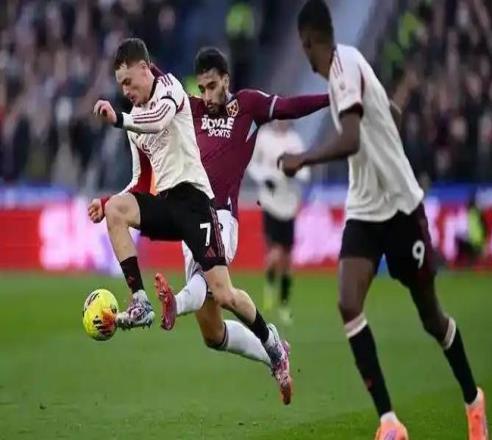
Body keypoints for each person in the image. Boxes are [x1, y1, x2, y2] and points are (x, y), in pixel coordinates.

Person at [279, 1, 488, 439]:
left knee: (431, 317)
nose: (304, 53)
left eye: (303, 46)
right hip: (365, 209)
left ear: (308, 41)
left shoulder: (345, 65)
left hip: (401, 208)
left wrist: (304, 158)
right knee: (348, 302)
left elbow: (352, 140)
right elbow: (390, 111)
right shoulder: (348, 71)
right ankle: (389, 422)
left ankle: (473, 399)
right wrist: (386, 128)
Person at [87, 38, 292, 404]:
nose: (126, 91)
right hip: (167, 205)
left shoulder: (171, 90)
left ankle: (271, 342)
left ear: (145, 69)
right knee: (118, 210)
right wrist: (107, 202)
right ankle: (140, 301)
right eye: (121, 85)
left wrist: (119, 119)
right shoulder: (134, 120)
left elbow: (157, 121)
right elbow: (140, 181)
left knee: (224, 294)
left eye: (128, 81)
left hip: (197, 204)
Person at [151, 46, 328, 384]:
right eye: (202, 88)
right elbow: (160, 81)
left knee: (211, 284)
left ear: (226, 80)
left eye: (212, 86)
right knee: (212, 334)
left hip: (221, 216)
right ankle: (274, 351)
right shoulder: (193, 108)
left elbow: (289, 106)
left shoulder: (248, 106)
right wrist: (143, 63)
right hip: (190, 216)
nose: (207, 95)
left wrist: (330, 99)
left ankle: (176, 302)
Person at [248, 120, 310, 324]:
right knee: (274, 253)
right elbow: (253, 164)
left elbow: (305, 168)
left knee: (287, 258)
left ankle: (283, 302)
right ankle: (269, 287)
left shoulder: (294, 140)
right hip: (270, 202)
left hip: (289, 203)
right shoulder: (264, 137)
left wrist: (296, 172)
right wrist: (264, 178)